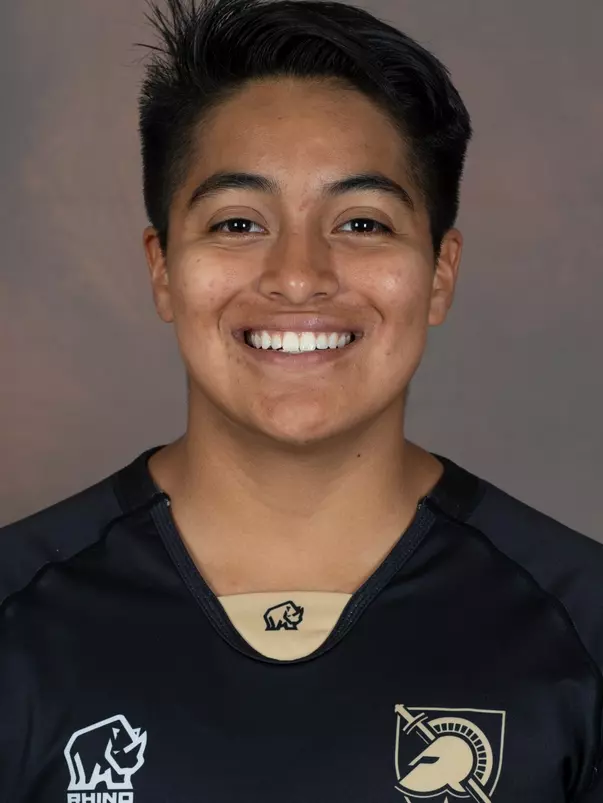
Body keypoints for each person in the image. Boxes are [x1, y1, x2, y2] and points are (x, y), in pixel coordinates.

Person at [1, 0, 601, 800]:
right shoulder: (19, 618)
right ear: (162, 270)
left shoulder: (579, 623)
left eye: (360, 221)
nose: (297, 275)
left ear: (439, 274)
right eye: (238, 221)